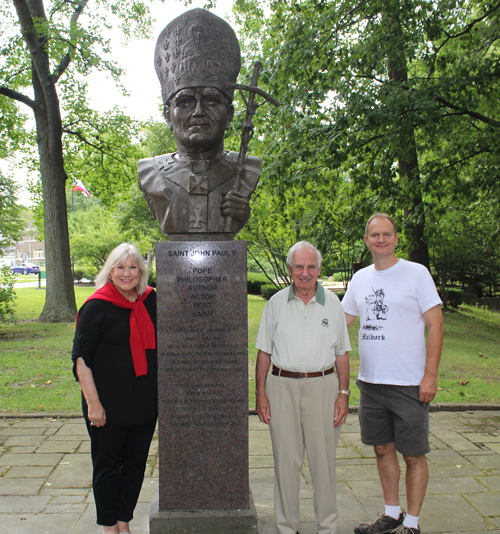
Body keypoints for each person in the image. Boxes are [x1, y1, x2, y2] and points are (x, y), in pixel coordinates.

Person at [342, 213, 444, 534]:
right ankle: (391, 514)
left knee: (413, 455)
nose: (381, 239)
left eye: (387, 234)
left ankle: (412, 524)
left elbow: (436, 324)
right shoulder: (360, 279)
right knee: (382, 448)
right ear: (367, 240)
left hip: (409, 385)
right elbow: (340, 323)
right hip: (371, 384)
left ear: (397, 238)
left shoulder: (416, 274)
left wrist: (430, 377)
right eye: (375, 235)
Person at [138, 8, 261, 239]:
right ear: (168, 115)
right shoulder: (150, 172)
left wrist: (241, 212)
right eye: (184, 101)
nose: (197, 111)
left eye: (211, 100)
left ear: (230, 114)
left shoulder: (247, 169)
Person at [255, 241, 351, 534]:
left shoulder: (333, 305)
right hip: (281, 387)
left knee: (323, 464)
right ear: (289, 269)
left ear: (319, 269)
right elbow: (263, 353)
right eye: (299, 266)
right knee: (286, 463)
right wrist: (260, 394)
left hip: (323, 387)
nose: (305, 273)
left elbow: (342, 354)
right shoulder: (275, 303)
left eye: (311, 267)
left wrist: (343, 394)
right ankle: (287, 527)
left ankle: (327, 527)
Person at [72, 243, 157, 534]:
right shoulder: (97, 306)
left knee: (134, 465)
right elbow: (81, 360)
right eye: (120, 267)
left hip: (144, 402)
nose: (126, 273)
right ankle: (109, 526)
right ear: (110, 271)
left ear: (141, 272)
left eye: (133, 267)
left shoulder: (150, 301)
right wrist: (94, 405)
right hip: (106, 405)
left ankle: (124, 520)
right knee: (107, 467)